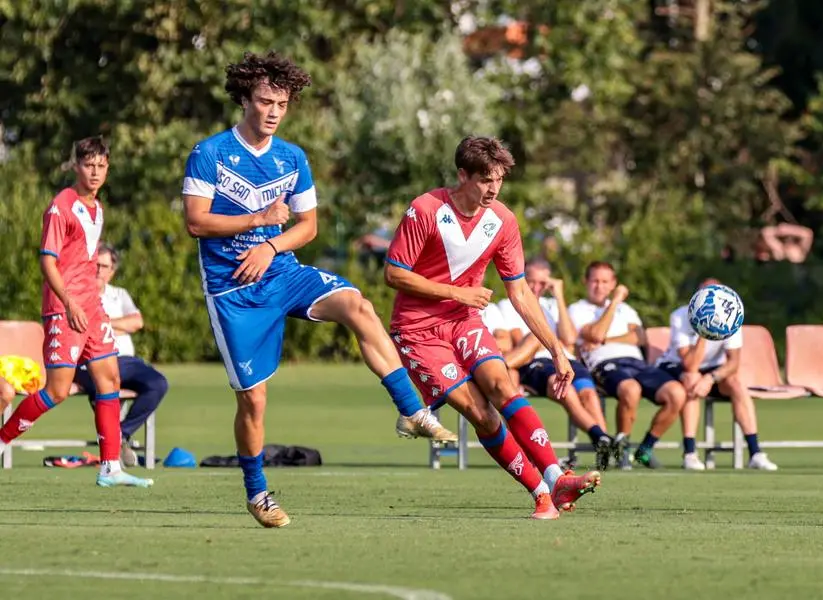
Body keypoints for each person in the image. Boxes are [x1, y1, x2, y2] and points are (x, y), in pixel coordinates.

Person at [182, 51, 453, 528]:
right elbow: (195, 221)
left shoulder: (293, 157)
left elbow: (308, 227)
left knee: (357, 304)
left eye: (281, 104)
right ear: (244, 99)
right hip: (234, 291)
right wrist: (258, 221)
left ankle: (410, 410)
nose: (272, 111)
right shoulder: (210, 153)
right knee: (254, 401)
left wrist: (270, 246)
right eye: (265, 101)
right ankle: (256, 492)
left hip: (283, 273)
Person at [384, 135, 602, 520]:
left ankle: (557, 478)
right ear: (462, 175)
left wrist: (555, 349)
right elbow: (394, 274)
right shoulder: (426, 209)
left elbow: (520, 292)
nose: (494, 188)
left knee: (504, 385)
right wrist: (458, 293)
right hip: (417, 331)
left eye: (499, 179)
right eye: (485, 179)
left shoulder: (502, 221)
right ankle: (540, 493)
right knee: (482, 414)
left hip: (463, 321)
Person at [0, 137, 152, 488]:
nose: (95, 172)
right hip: (64, 310)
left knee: (110, 379)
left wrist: (90, 305)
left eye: (101, 166)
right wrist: (69, 303)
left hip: (91, 309)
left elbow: (83, 263)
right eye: (88, 165)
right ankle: (3, 439)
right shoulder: (61, 206)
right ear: (76, 166)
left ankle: (110, 467)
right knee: (57, 391)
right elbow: (48, 262)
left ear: (107, 168)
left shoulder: (98, 208)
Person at [497, 258, 614, 470]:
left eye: (542, 283)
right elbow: (519, 340)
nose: (536, 288)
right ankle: (599, 436)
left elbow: (568, 339)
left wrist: (559, 295)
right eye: (531, 281)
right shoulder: (510, 303)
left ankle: (604, 447)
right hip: (537, 362)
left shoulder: (552, 306)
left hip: (565, 358)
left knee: (589, 394)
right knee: (566, 390)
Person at [569, 261, 686, 469]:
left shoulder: (627, 309)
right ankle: (621, 448)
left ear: (613, 283)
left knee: (677, 393)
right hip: (604, 364)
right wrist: (614, 303)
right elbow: (595, 333)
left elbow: (640, 337)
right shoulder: (578, 309)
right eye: (595, 281)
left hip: (636, 363)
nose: (599, 286)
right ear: (585, 282)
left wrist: (605, 340)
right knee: (631, 389)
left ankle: (645, 450)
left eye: (605, 281)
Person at [655, 278, 779, 471]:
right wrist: (703, 330)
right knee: (692, 380)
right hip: (677, 367)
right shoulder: (680, 316)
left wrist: (711, 378)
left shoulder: (730, 317)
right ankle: (690, 453)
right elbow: (689, 364)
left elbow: (733, 363)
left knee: (736, 384)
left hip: (712, 371)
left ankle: (756, 453)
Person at [73, 242, 169, 467]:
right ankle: (113, 441)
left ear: (112, 271)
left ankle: (119, 434)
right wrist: (115, 326)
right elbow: (80, 328)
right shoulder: (77, 293)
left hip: (125, 360)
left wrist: (103, 323)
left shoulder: (119, 294)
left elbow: (137, 322)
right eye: (95, 265)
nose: (98, 270)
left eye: (104, 266)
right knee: (103, 385)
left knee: (158, 384)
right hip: (90, 360)